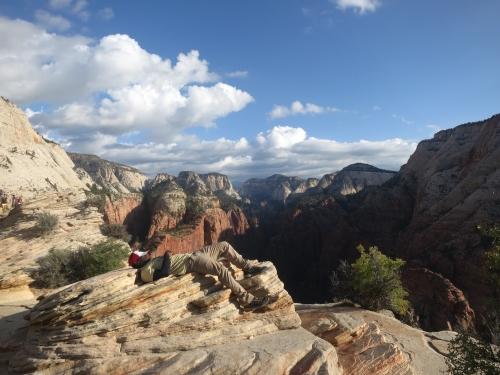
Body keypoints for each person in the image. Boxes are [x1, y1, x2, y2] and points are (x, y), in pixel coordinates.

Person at [129, 241, 269, 310]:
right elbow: (164, 273)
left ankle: (248, 268)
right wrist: (166, 256)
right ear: (139, 262)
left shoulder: (150, 262)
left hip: (196, 254)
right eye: (143, 255)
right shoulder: (145, 271)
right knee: (222, 270)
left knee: (225, 245)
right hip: (193, 263)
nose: (147, 253)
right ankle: (247, 299)